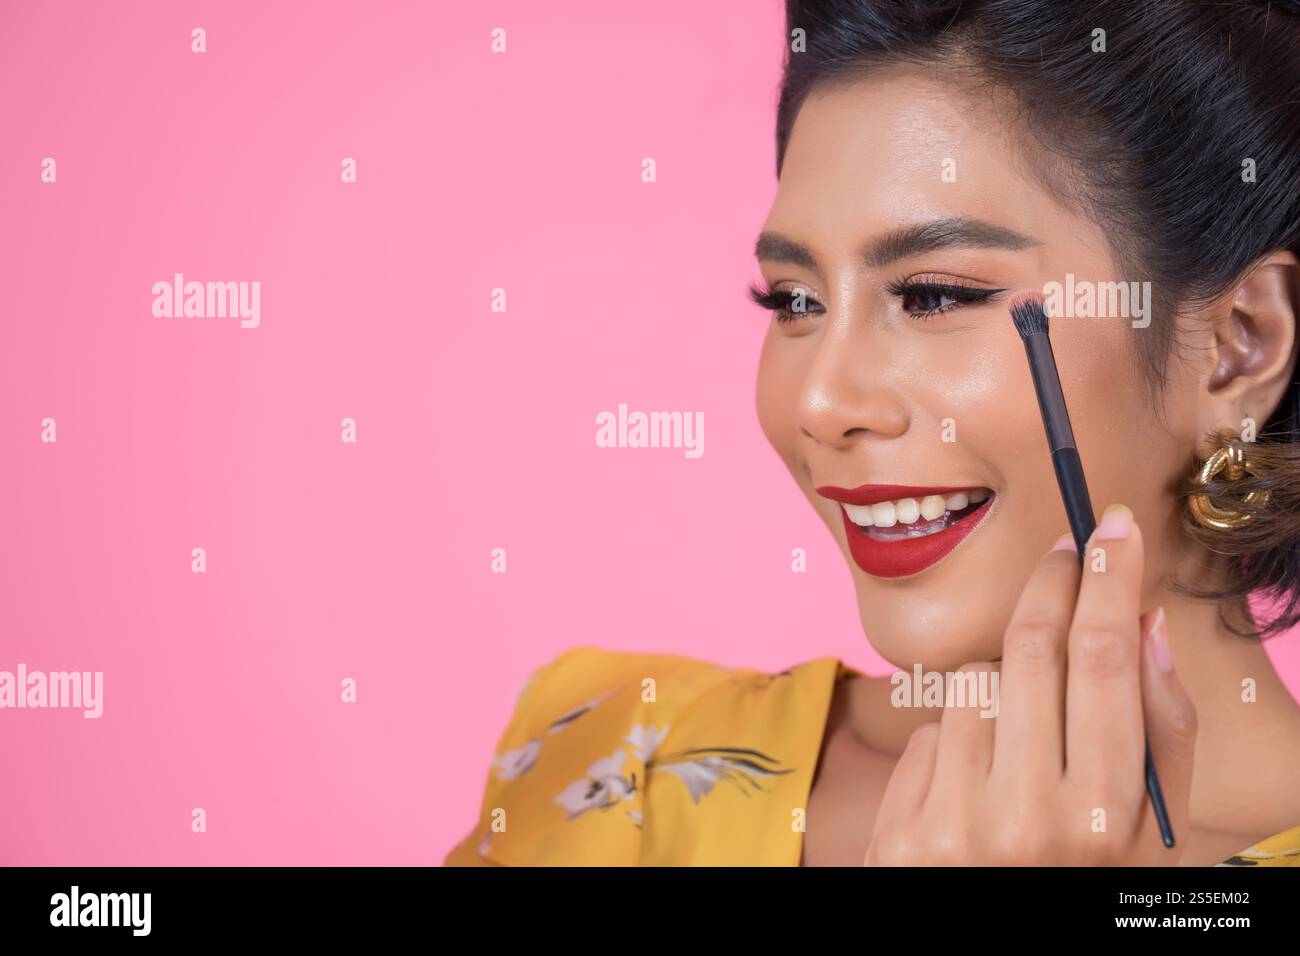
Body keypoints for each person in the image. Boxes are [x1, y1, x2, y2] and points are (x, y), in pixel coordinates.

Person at [444, 0, 1300, 866]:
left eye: (934, 295)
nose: (820, 400)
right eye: (796, 301)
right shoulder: (618, 770)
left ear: (1240, 345)